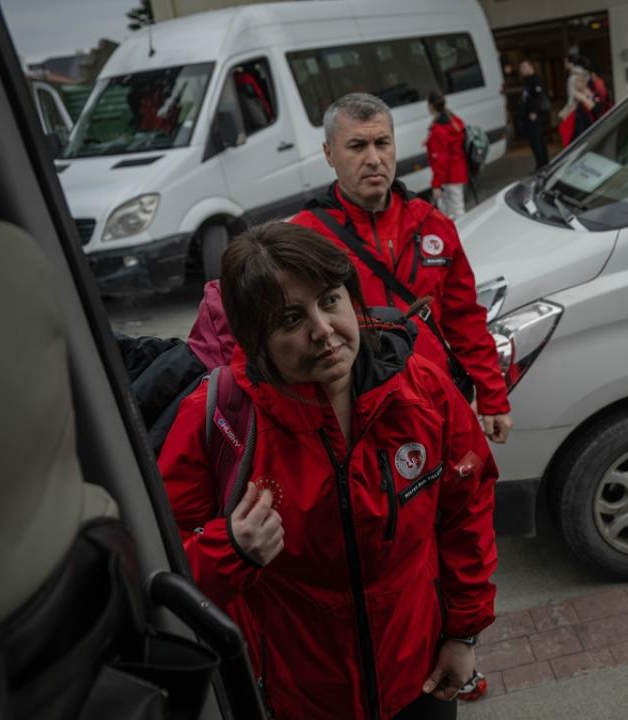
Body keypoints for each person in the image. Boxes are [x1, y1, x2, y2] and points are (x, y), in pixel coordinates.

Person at [158, 222, 498, 720]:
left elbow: (466, 512)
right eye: (291, 318)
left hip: (419, 675)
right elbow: (164, 563)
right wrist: (228, 548)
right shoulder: (220, 418)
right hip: (300, 698)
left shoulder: (420, 388)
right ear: (256, 338)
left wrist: (463, 634)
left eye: (331, 300)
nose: (323, 330)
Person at [290, 92, 513, 443]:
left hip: (436, 406)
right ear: (329, 154)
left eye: (382, 143)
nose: (374, 158)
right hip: (358, 419)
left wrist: (493, 396)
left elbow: (464, 320)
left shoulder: (434, 225)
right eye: (357, 146)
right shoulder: (304, 238)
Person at [424, 92, 469, 219]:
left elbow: (440, 161)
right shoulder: (454, 120)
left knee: (455, 213)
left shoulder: (438, 130)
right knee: (456, 209)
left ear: (431, 106)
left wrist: (436, 185)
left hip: (449, 177)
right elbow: (454, 143)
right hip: (459, 170)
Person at [516, 59, 550, 169]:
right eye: (521, 68)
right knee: (535, 140)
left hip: (535, 115)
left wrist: (534, 112)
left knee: (537, 140)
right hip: (528, 115)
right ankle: (542, 163)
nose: (522, 70)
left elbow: (539, 97)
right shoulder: (526, 81)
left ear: (531, 67)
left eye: (524, 67)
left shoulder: (536, 80)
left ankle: (542, 164)